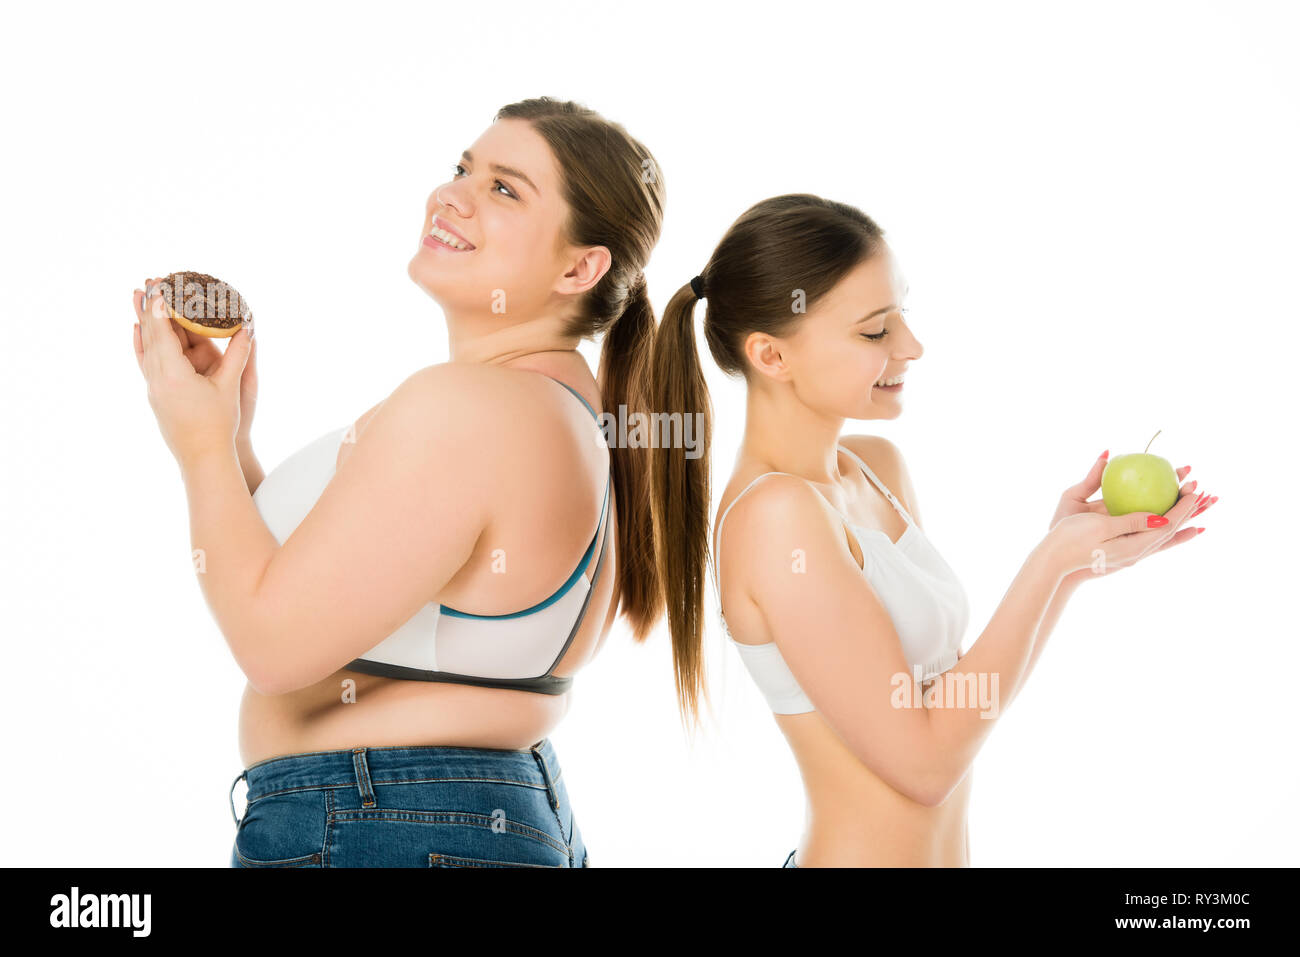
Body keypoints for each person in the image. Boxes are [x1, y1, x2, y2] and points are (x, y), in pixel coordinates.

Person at [133, 97, 667, 867]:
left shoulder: (474, 408)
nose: (451, 195)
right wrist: (230, 438)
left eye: (505, 188)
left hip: (389, 824)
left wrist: (199, 451)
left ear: (581, 267)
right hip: (437, 817)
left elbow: (274, 646)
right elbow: (320, 595)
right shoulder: (557, 405)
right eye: (462, 169)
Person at [646, 193, 1216, 866]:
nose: (911, 347)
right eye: (874, 330)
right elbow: (923, 766)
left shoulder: (874, 468)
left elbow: (956, 701)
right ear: (771, 355)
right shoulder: (777, 519)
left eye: (903, 315)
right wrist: (1045, 563)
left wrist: (1070, 565)